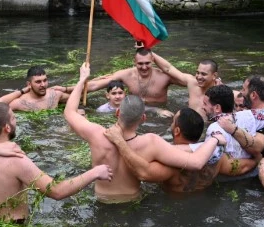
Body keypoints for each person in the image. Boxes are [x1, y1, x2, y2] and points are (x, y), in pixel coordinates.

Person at [67, 64, 225, 202]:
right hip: (132, 202)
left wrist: (83, 79)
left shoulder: (97, 134)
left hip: (102, 201)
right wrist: (214, 139)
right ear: (143, 118)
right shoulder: (151, 142)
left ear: (117, 113)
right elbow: (197, 162)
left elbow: (69, 112)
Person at [0, 102, 112, 222]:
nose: (15, 121)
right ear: (7, 128)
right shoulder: (16, 160)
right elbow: (56, 192)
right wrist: (95, 172)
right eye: (13, 118)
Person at [105, 107, 227, 194]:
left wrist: (119, 141)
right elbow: (244, 167)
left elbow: (144, 173)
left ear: (177, 131)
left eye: (173, 121)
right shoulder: (219, 156)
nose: (171, 124)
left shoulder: (170, 165)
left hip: (173, 208)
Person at [86, 48, 175, 112]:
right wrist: (73, 89)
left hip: (158, 110)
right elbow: (95, 85)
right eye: (140, 63)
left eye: (147, 63)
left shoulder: (165, 77)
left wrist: (159, 110)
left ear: (153, 60)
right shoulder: (126, 74)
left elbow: (187, 80)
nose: (144, 67)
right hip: (133, 111)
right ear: (134, 62)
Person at [0, 66, 73, 112]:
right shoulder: (19, 103)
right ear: (29, 84)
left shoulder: (55, 94)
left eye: (45, 80)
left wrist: (66, 89)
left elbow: (80, 98)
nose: (43, 85)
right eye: (38, 82)